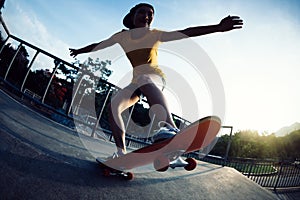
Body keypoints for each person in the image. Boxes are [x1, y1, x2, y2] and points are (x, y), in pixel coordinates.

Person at [69, 3, 243, 158]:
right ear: (132, 17)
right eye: (142, 12)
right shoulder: (121, 36)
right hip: (136, 82)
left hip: (154, 77)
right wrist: (79, 50)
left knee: (144, 77)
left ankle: (171, 128)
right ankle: (121, 152)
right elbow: (100, 44)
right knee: (114, 106)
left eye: (150, 14)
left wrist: (218, 27)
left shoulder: (155, 35)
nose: (146, 16)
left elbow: (186, 32)